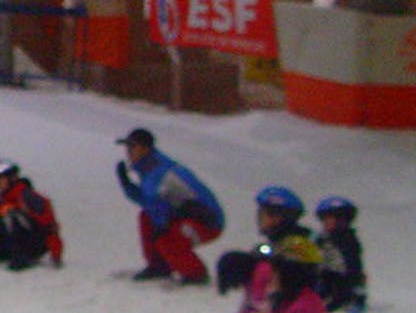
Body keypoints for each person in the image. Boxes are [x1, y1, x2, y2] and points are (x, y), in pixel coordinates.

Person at [114, 127, 222, 284]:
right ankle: (159, 266)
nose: (128, 152)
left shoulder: (158, 171)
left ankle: (195, 273)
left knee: (167, 238)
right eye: (127, 147)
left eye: (132, 147)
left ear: (145, 149)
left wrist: (161, 227)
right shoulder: (148, 168)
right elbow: (149, 202)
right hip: (185, 215)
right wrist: (126, 184)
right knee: (147, 218)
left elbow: (158, 204)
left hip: (207, 222)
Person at [215, 185, 313, 297]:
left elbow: (290, 277)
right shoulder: (283, 241)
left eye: (264, 214)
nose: (260, 219)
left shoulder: (298, 243)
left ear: (279, 218)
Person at [0, 159, 63, 270]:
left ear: (11, 178)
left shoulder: (29, 196)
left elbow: (49, 228)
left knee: (12, 214)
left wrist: (56, 257)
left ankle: (20, 259)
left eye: (0, 181)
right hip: (14, 245)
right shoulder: (4, 200)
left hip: (36, 243)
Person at [313, 196, 368, 313]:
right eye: (326, 218)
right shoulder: (320, 239)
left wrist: (357, 293)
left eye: (338, 218)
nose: (330, 222)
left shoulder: (348, 242)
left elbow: (354, 268)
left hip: (339, 286)